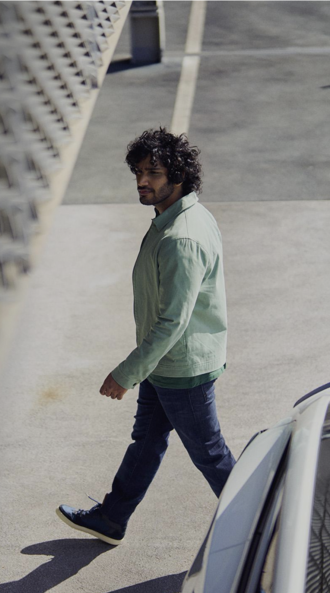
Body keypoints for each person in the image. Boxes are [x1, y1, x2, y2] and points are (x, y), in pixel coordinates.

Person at [56, 128, 236, 545]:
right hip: (165, 364)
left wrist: (127, 372)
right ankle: (112, 518)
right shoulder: (177, 218)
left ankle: (267, 530)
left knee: (210, 455)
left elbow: (173, 321)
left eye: (153, 172)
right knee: (147, 440)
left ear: (178, 174)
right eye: (138, 171)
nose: (142, 180)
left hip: (180, 368)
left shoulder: (181, 238)